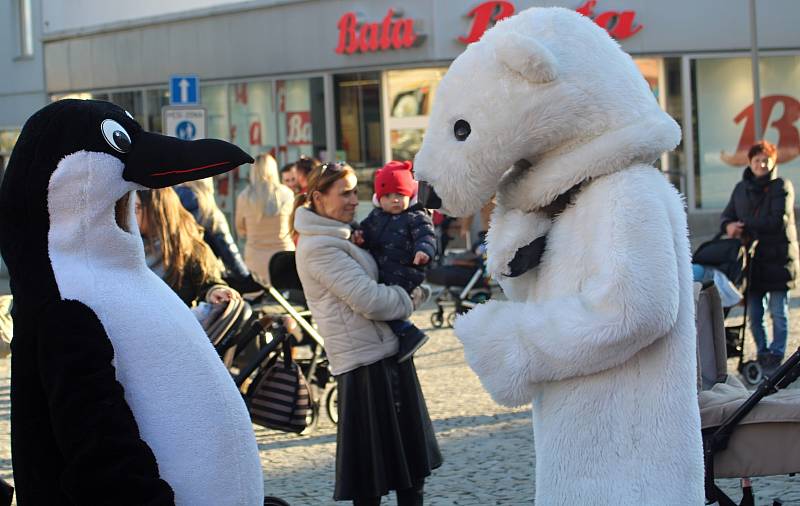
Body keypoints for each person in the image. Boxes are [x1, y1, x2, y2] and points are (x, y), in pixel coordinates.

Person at [292, 162, 442, 505]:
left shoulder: (344, 234)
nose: (352, 200)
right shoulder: (320, 247)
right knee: (370, 483)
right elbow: (371, 300)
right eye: (344, 193)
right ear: (318, 197)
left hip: (384, 355)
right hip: (364, 367)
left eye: (355, 191)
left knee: (410, 473)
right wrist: (416, 295)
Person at [720, 140, 799, 373]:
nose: (761, 164)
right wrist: (729, 227)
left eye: (766, 160)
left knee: (778, 312)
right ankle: (763, 353)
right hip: (752, 263)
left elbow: (776, 221)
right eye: (757, 160)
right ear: (750, 162)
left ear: (773, 161)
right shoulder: (740, 189)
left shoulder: (782, 186)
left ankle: (777, 355)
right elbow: (726, 216)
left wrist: (743, 225)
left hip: (779, 260)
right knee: (755, 314)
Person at [358, 161, 436, 362]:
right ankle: (401, 336)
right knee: (378, 307)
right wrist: (359, 237)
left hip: (405, 271)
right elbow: (366, 232)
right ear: (378, 198)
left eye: (399, 195)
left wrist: (423, 251)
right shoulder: (375, 217)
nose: (394, 201)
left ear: (408, 195)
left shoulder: (415, 216)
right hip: (384, 271)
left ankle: (408, 333)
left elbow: (426, 236)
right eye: (388, 196)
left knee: (383, 307)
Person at [133, 188, 235, 306]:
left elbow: (208, 282)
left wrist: (215, 291)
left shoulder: (189, 248)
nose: (130, 214)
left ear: (155, 210)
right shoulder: (125, 245)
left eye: (136, 208)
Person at [175, 178, 256, 293]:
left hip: (172, 276)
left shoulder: (169, 202)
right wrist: (246, 278)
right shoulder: (209, 211)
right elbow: (227, 250)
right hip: (205, 277)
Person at [235, 153, 296, 283]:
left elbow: (240, 228)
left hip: (255, 257)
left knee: (258, 298)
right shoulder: (287, 194)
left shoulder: (244, 197)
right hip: (284, 254)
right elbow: (293, 225)